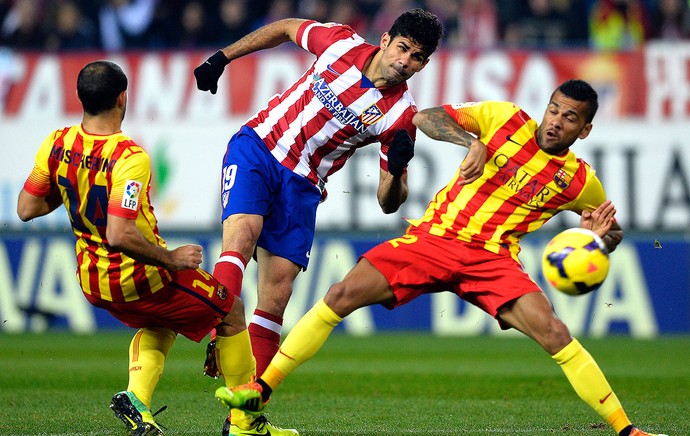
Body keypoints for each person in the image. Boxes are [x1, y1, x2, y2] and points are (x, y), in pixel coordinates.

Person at [216, 79, 668, 436]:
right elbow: (426, 116)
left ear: (584, 130)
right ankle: (260, 390)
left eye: (569, 119)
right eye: (553, 109)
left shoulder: (579, 181)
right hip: (434, 239)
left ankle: (626, 429)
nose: (555, 122)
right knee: (341, 293)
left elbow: (608, 230)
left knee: (554, 332)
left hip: (493, 260)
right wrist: (468, 141)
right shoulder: (502, 118)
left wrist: (601, 239)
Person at [193, 8, 443, 435]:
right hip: (259, 147)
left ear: (424, 64)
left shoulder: (401, 116)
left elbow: (388, 202)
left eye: (417, 57)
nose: (405, 61)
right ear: (385, 40)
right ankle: (223, 328)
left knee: (277, 294)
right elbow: (287, 27)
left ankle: (243, 421)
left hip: (304, 185)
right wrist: (224, 57)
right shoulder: (340, 42)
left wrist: (399, 171)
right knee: (240, 239)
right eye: (403, 48)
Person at [16, 60, 296, 436]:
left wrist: (75, 188)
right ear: (122, 98)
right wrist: (173, 259)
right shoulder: (129, 157)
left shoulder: (57, 142)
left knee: (164, 321)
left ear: (81, 98)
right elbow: (119, 233)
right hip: (140, 274)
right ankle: (246, 423)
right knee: (231, 309)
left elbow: (26, 208)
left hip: (92, 279)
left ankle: (137, 402)